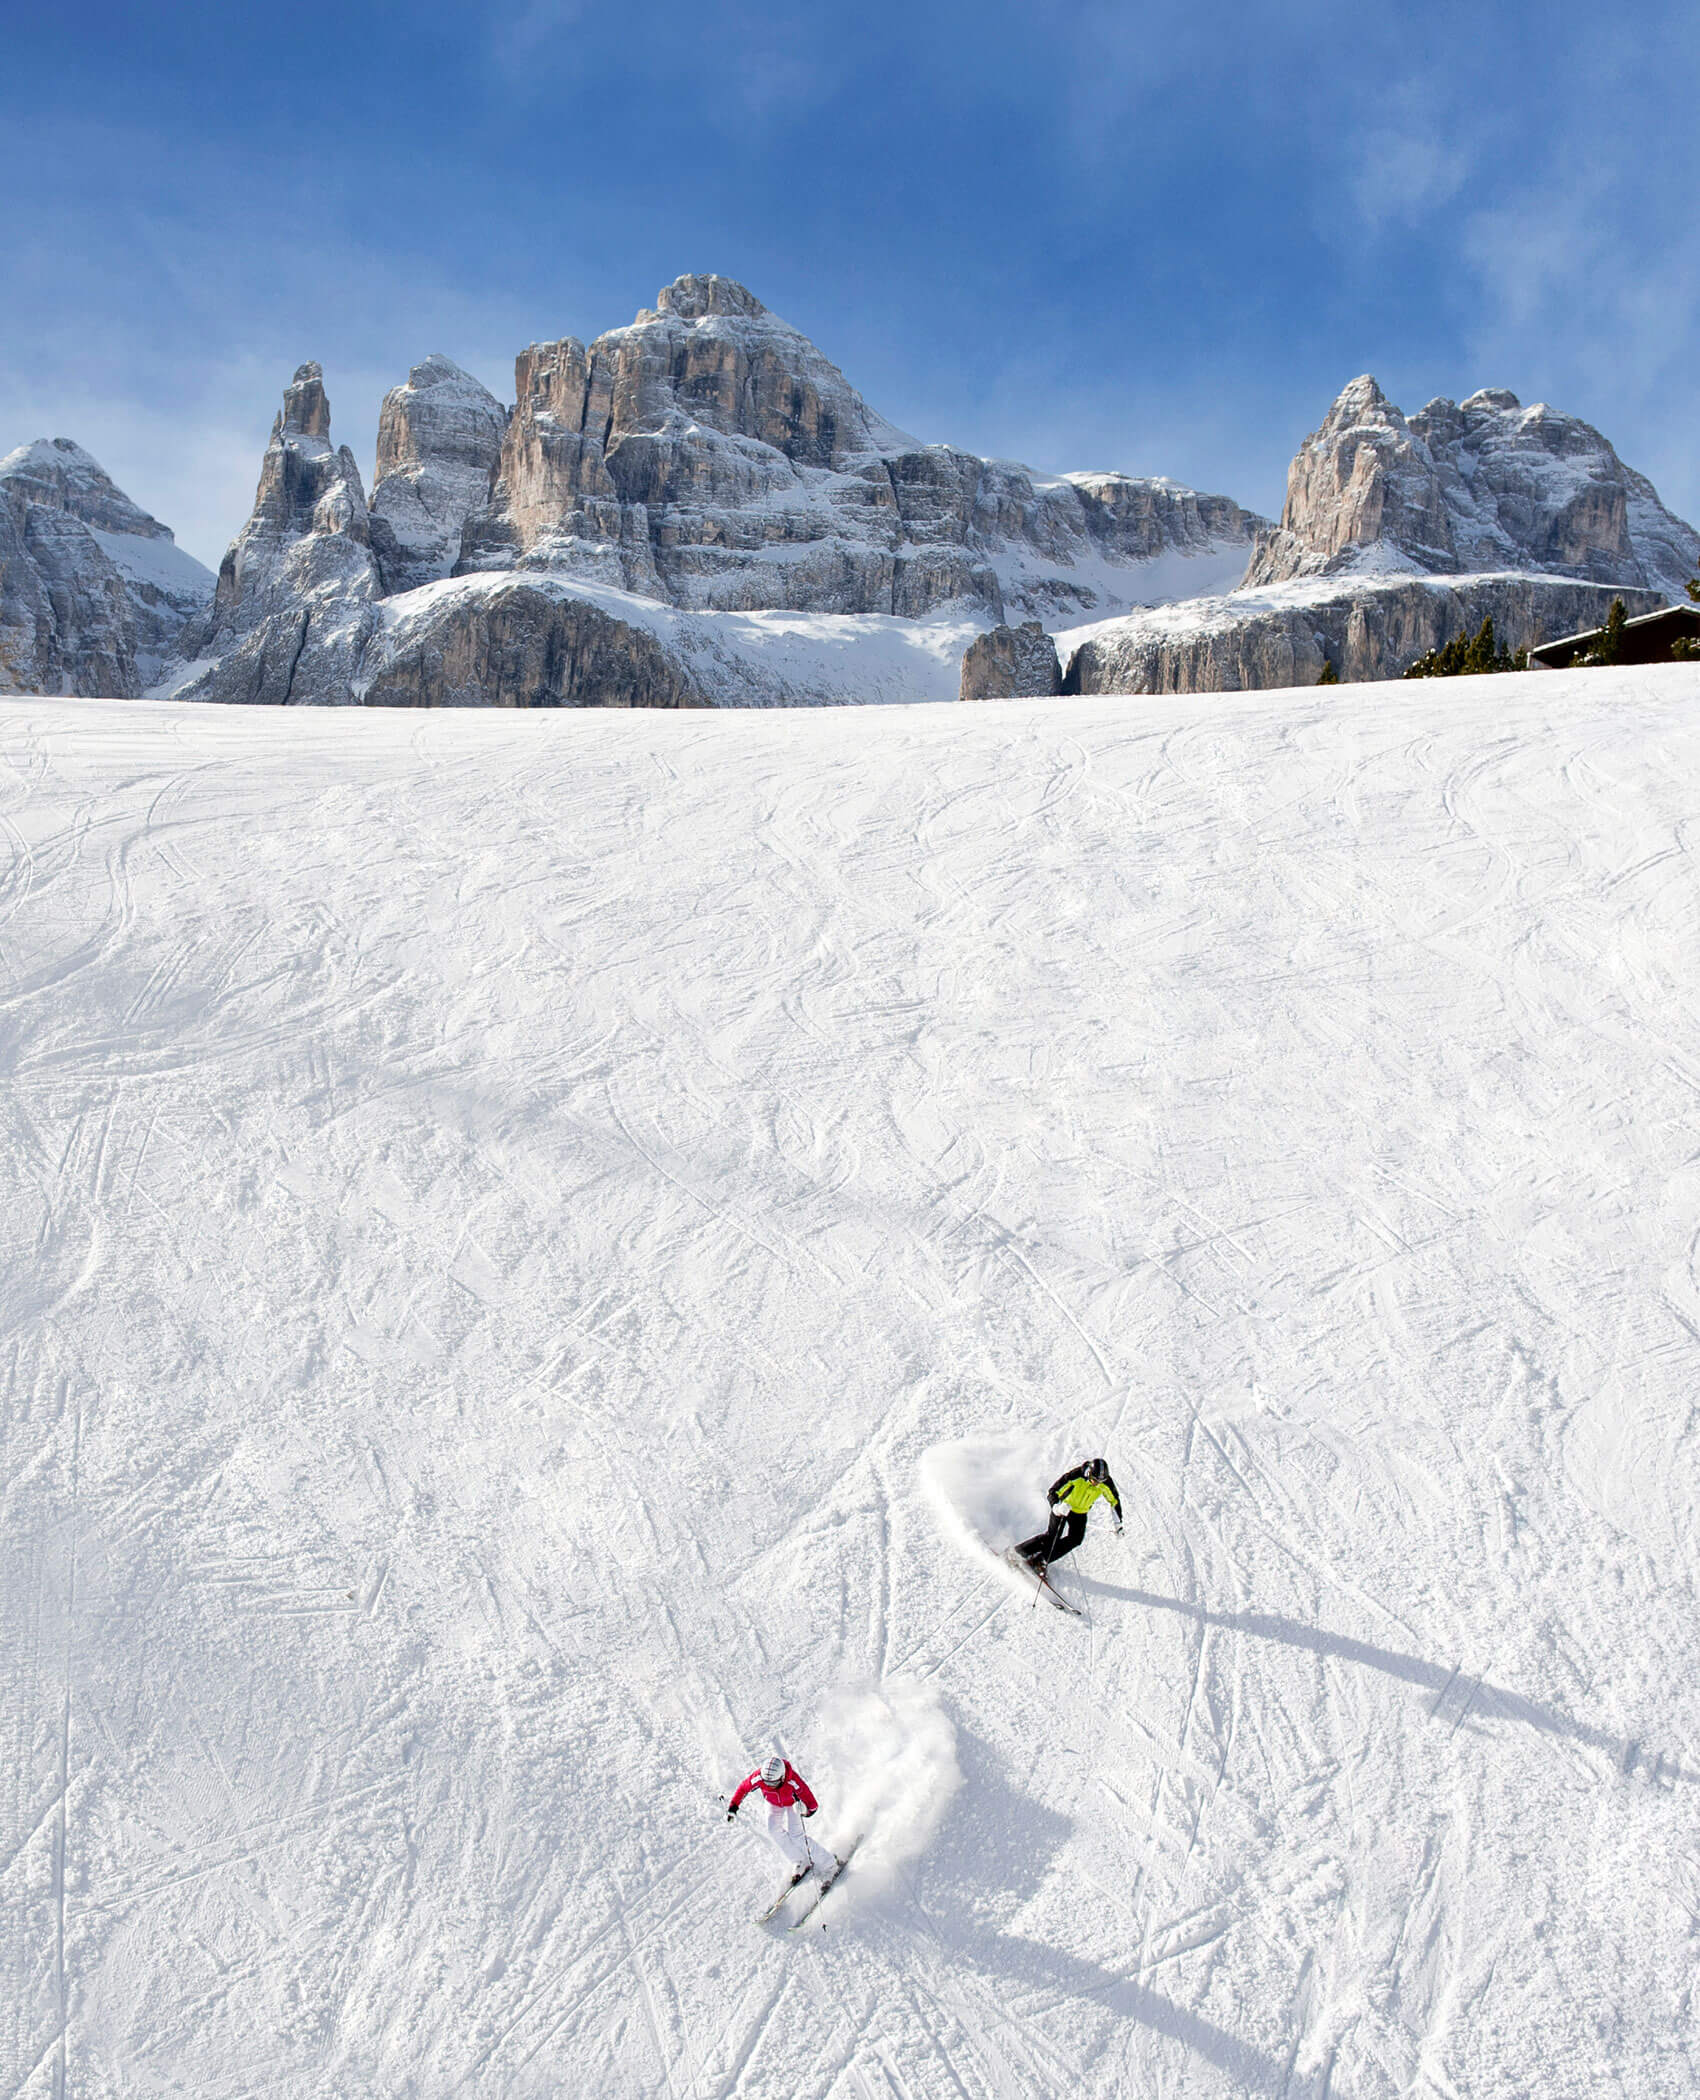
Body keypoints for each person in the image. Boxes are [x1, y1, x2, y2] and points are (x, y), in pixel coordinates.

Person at [726, 1753, 836, 1887]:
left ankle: (830, 1864)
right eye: (767, 1783)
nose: (769, 1785)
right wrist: (733, 1806)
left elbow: (808, 1797)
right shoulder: (759, 1777)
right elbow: (743, 1788)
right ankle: (800, 1861)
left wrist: (808, 1811)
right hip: (772, 1803)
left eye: (773, 1783)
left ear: (782, 1777)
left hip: (792, 1804)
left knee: (797, 1836)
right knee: (773, 1830)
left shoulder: (792, 1780)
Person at [1012, 1457, 1123, 1576]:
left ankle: (1041, 1560)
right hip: (1063, 1508)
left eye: (1100, 1481)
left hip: (1080, 1512)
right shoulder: (1076, 1476)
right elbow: (1052, 1491)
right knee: (1052, 1537)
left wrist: (1118, 1524)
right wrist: (1057, 1507)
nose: (1097, 1484)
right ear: (1089, 1473)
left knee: (1076, 1539)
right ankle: (1017, 1553)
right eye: (1094, 1480)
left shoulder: (1105, 1483)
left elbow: (1114, 1501)